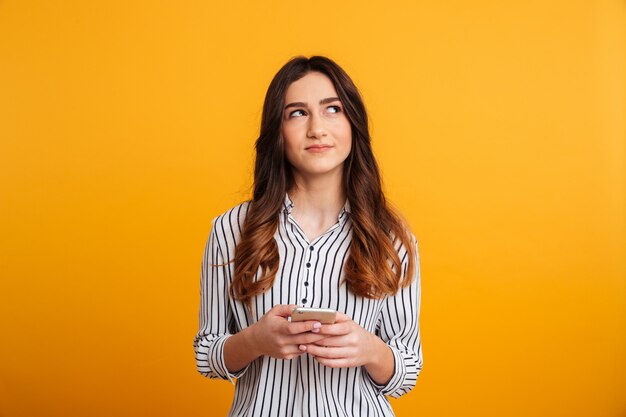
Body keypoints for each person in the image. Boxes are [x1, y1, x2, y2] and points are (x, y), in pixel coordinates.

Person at [194, 55, 422, 417]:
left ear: (353, 124)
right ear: (277, 131)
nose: (317, 128)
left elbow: (407, 370)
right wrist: (255, 340)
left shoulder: (391, 237)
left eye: (333, 109)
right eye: (297, 113)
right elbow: (208, 356)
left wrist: (370, 349)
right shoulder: (231, 230)